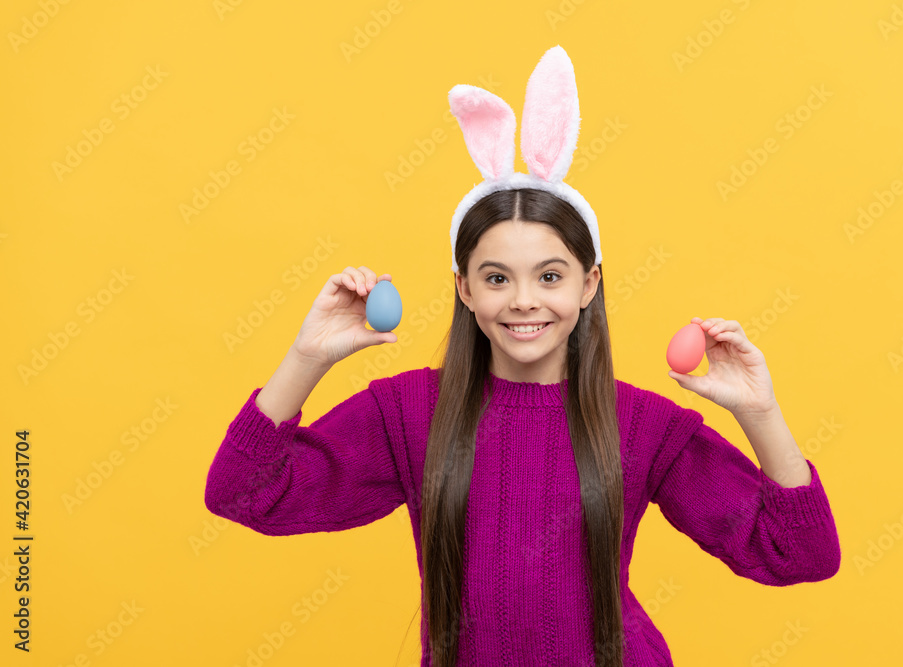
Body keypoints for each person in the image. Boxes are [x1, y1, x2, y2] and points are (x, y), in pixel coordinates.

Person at [203, 46, 840, 667]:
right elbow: (243, 492)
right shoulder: (410, 413)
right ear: (465, 288)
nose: (524, 302)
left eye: (552, 276)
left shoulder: (644, 426)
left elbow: (800, 554)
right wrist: (306, 357)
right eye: (498, 278)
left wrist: (761, 413)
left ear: (589, 284)